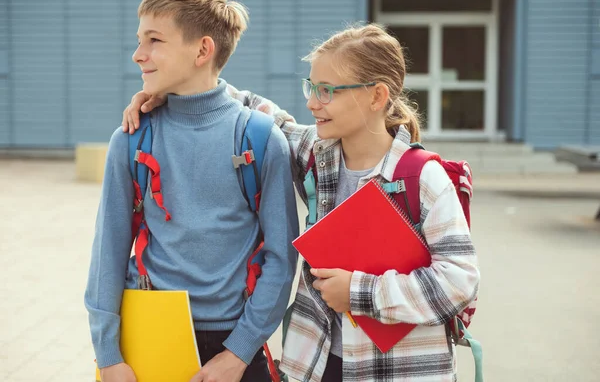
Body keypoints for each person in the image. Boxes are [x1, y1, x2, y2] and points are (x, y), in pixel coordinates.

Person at [123, 23, 480, 382]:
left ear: (377, 96)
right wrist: (173, 91)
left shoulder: (422, 178)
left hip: (399, 371)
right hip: (318, 364)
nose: (312, 102)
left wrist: (358, 292)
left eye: (327, 91)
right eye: (311, 87)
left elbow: (459, 282)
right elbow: (258, 111)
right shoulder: (316, 154)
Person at [84, 0, 299, 382]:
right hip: (148, 335)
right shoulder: (131, 138)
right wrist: (109, 355)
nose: (138, 54)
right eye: (138, 40)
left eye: (154, 40)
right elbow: (108, 253)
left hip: (236, 341)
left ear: (202, 51)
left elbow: (281, 260)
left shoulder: (261, 138)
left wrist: (239, 352)